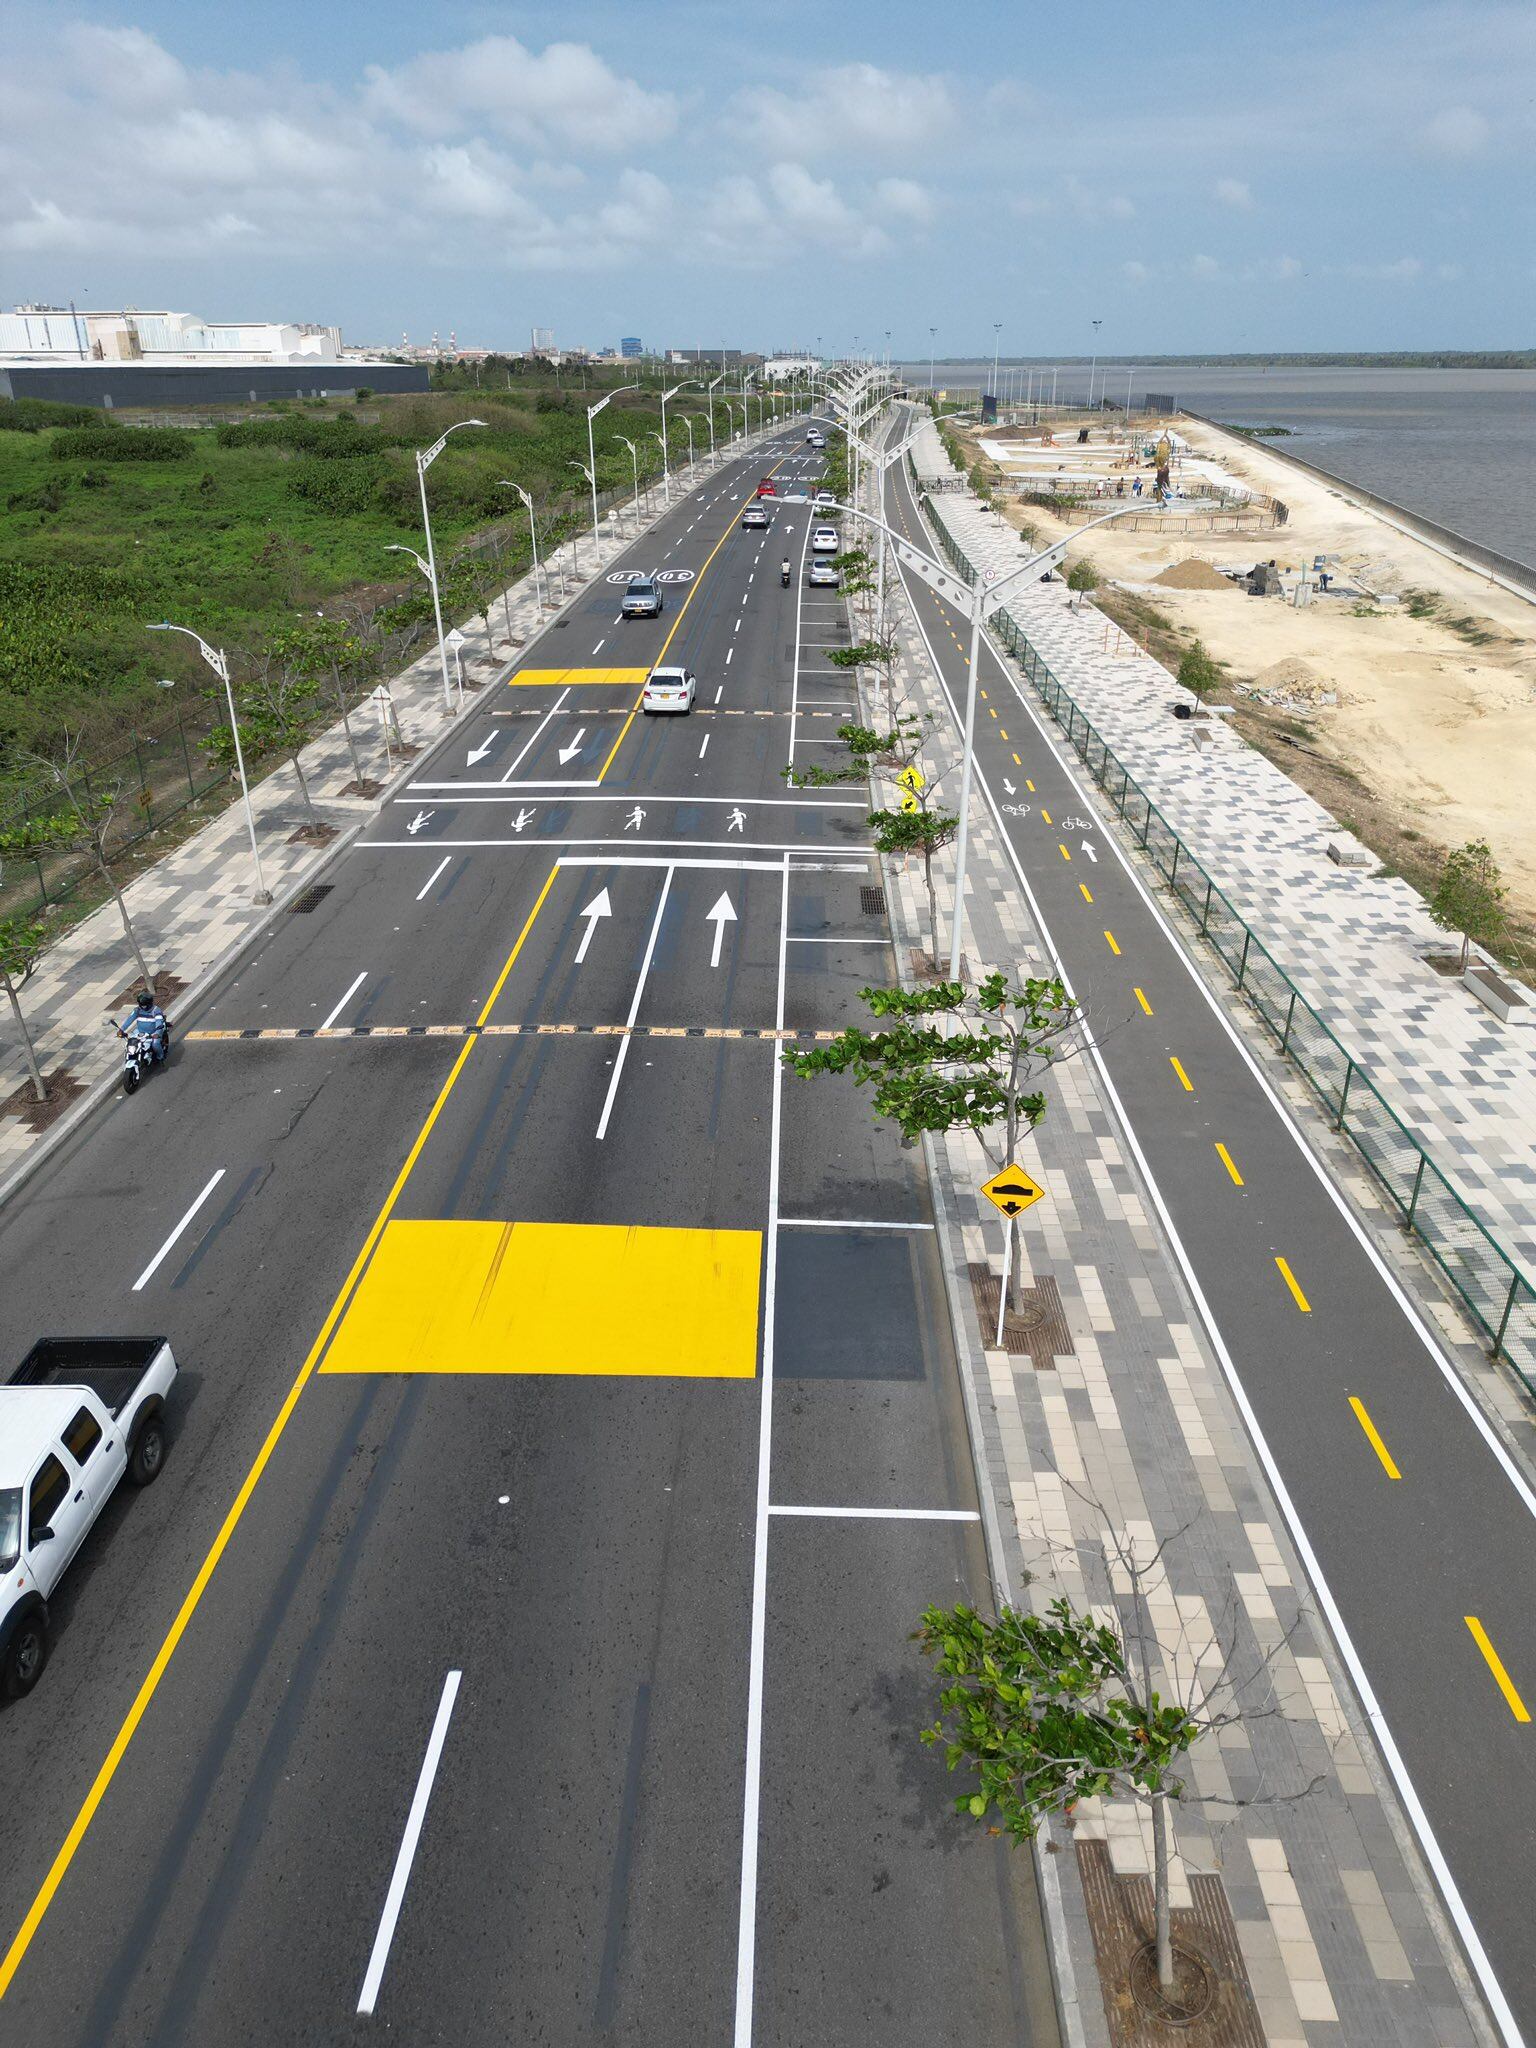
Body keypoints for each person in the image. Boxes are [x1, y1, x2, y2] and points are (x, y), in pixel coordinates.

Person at [119, 990, 169, 1061]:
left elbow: (159, 1022)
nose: (143, 1007)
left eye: (144, 1005)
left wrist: (157, 1033)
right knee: (130, 1043)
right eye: (141, 1005)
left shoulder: (156, 1010)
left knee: (155, 1044)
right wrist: (121, 1029)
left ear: (149, 1003)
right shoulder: (137, 1010)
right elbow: (129, 1019)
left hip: (154, 1032)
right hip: (140, 1032)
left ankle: (160, 1057)